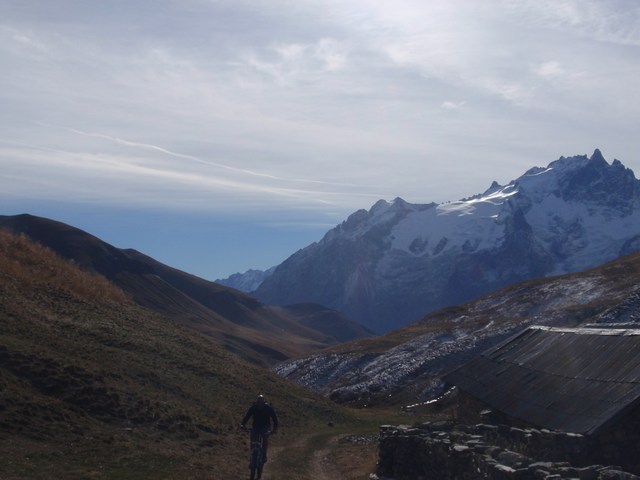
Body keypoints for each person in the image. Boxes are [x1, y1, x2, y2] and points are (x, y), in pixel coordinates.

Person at [240, 395, 279, 463]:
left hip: (265, 426)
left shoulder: (268, 408)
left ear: (264, 402)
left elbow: (274, 418)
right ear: (256, 402)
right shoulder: (253, 408)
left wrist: (274, 429)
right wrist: (242, 424)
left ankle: (264, 455)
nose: (260, 404)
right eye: (258, 402)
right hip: (255, 427)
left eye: (261, 402)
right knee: (253, 439)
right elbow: (247, 416)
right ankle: (252, 456)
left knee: (265, 437)